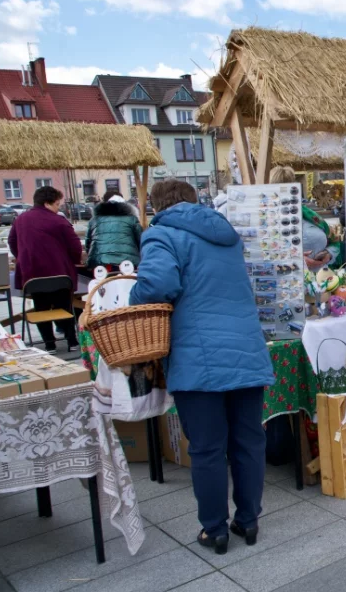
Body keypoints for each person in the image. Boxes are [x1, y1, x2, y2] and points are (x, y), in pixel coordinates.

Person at [129, 179, 273, 553]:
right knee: (248, 440)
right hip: (246, 349)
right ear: (195, 201)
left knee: (208, 448)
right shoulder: (226, 235)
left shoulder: (161, 234)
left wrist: (132, 298)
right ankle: (249, 520)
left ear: (158, 206)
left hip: (198, 354)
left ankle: (215, 529)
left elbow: (156, 285)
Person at [8, 186, 81, 353]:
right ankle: (72, 341)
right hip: (60, 274)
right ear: (47, 203)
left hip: (32, 274)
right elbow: (75, 246)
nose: (58, 208)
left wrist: (23, 257)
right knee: (65, 307)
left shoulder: (20, 220)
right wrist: (74, 261)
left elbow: (12, 242)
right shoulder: (59, 221)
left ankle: (49, 344)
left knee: (40, 307)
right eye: (57, 204)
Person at [267, 166, 343, 271]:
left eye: (290, 188)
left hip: (322, 281)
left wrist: (328, 254)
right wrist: (298, 262)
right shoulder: (266, 222)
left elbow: (335, 241)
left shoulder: (310, 216)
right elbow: (260, 256)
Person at [85, 190, 143, 270]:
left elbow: (88, 242)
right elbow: (140, 240)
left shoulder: (94, 220)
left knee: (103, 282)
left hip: (101, 261)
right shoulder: (132, 219)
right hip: (128, 263)